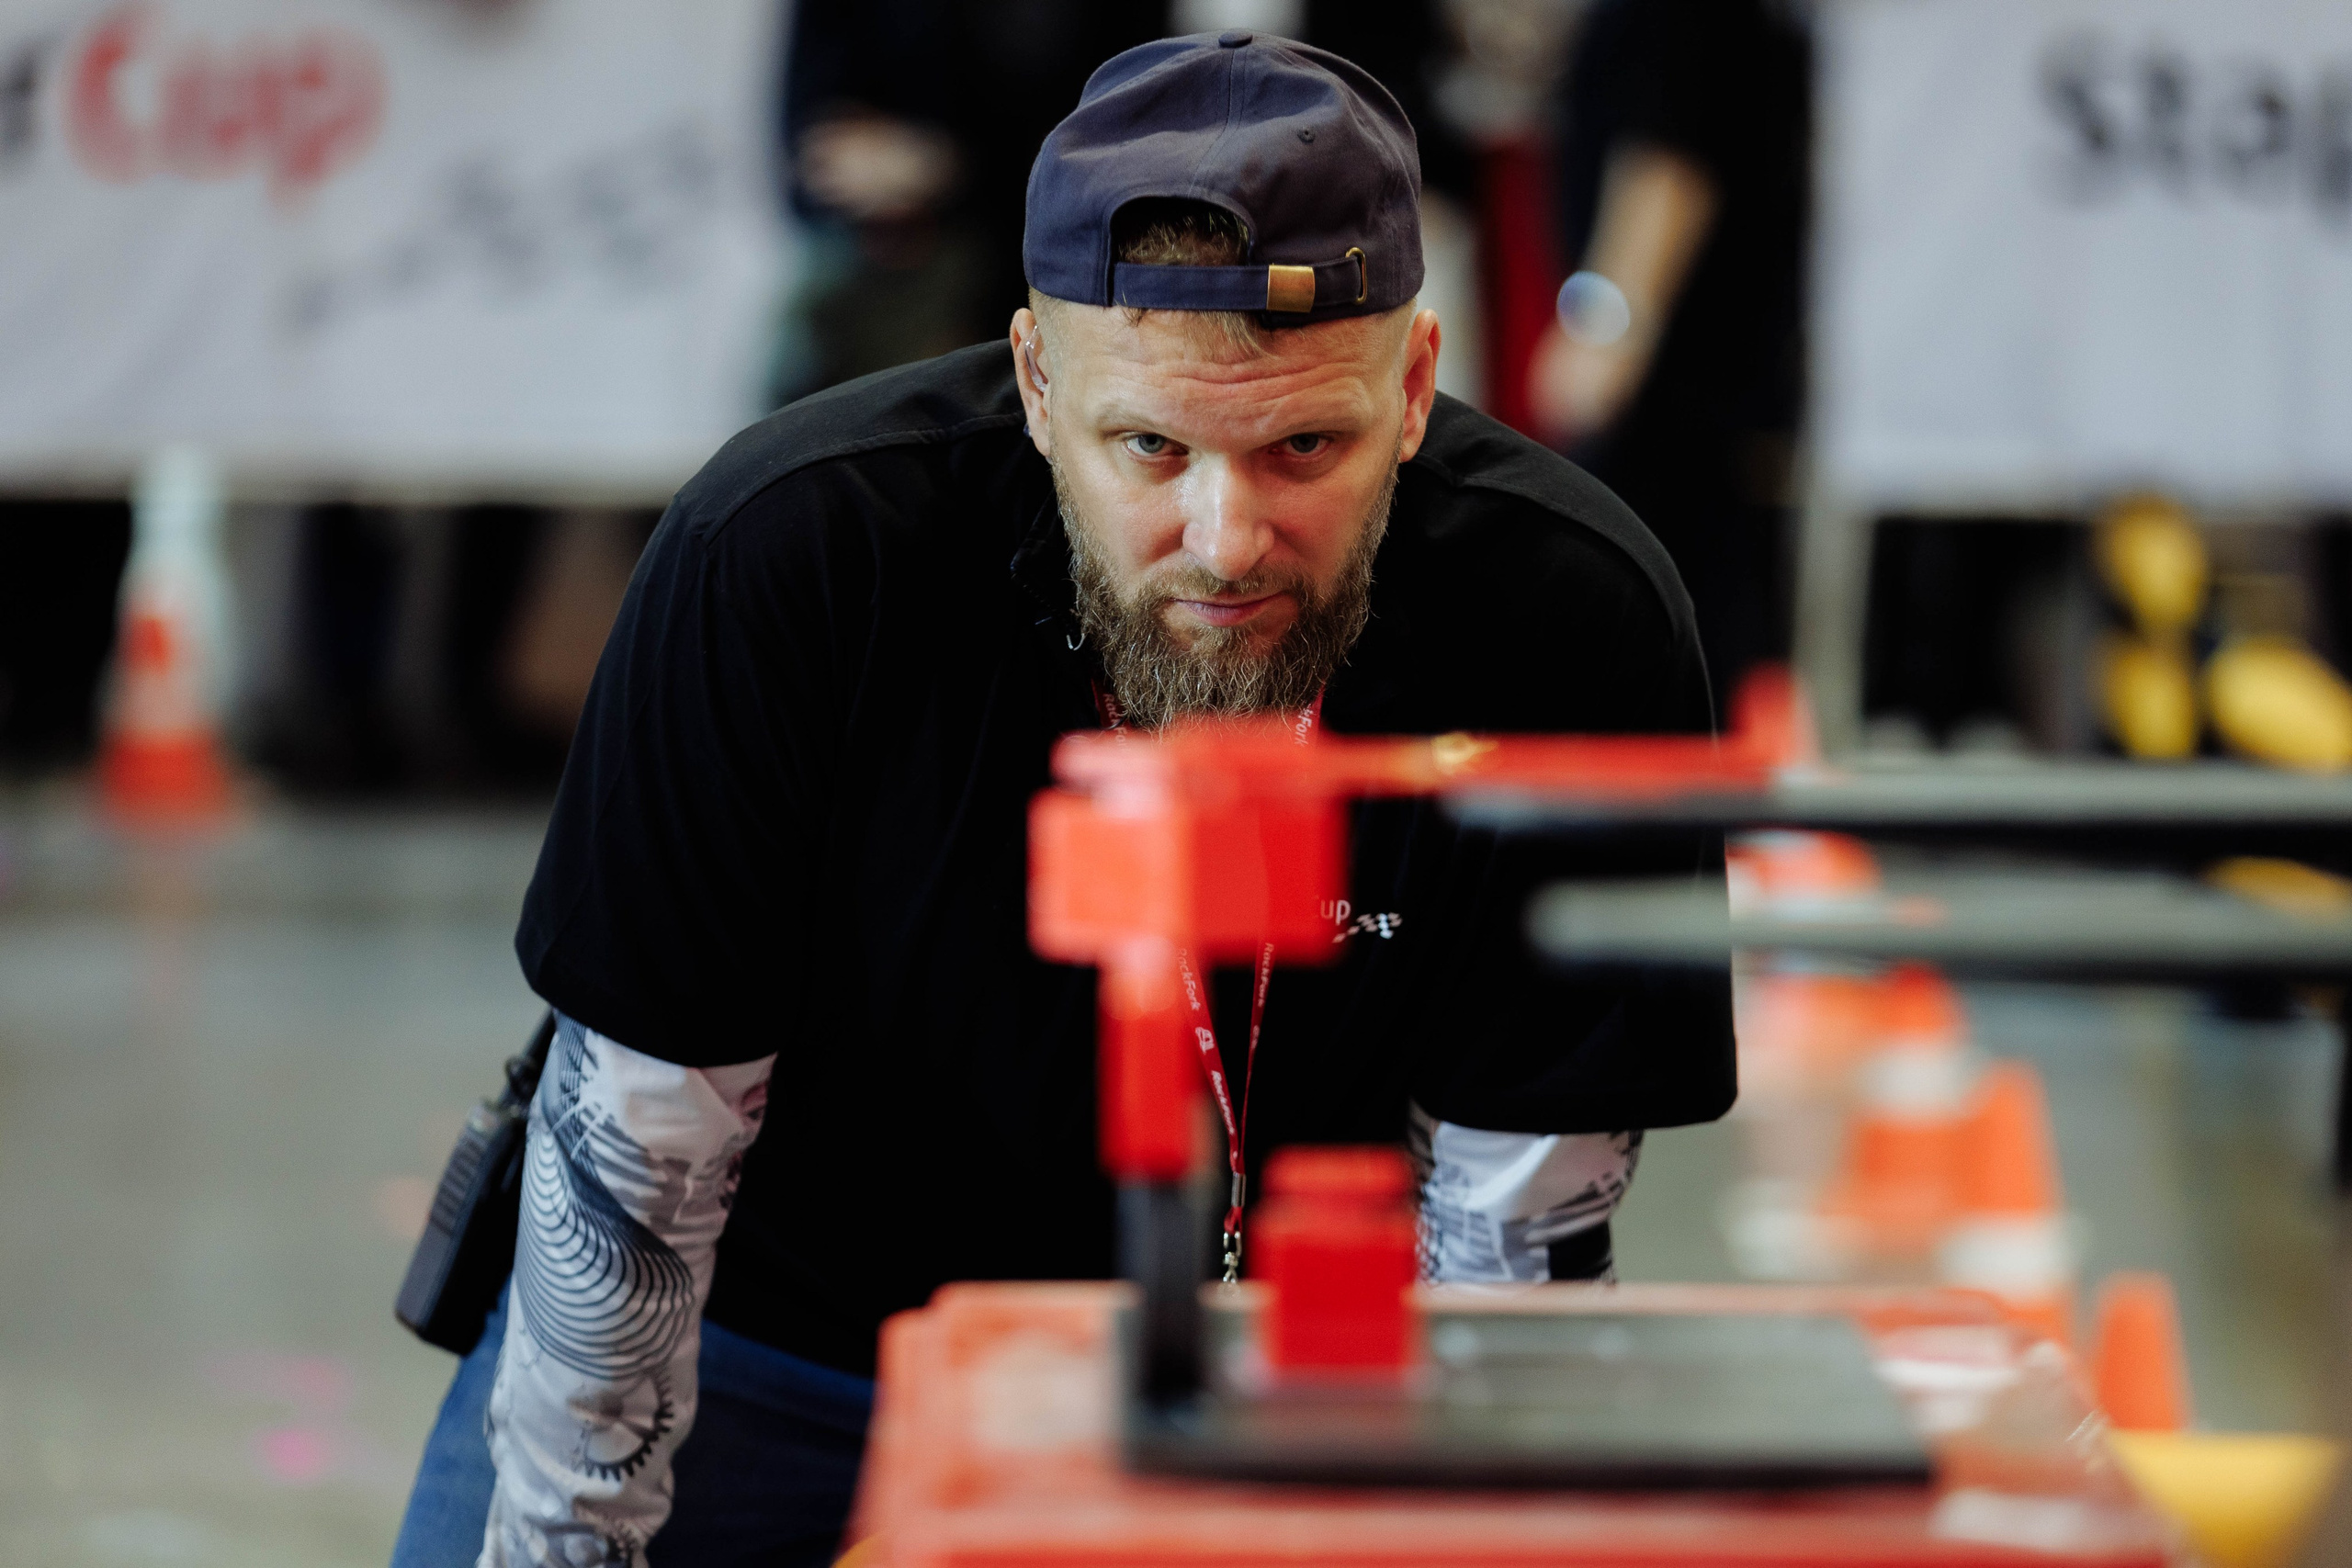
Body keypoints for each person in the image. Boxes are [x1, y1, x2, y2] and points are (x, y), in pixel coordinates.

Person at [391, 31, 1732, 1568]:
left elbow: (1513, 1252)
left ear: (1417, 384)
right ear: (1038, 381)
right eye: (1148, 446)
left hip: (1292, 1381)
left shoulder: (1570, 616)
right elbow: (641, 1146)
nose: (1226, 540)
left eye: (1307, 444)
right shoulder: (790, 563)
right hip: (763, 1355)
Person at [1528, 0, 1810, 698]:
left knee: (1669, 659)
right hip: (1707, 400)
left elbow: (1668, 163)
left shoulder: (1668, 17)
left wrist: (1601, 331)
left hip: (1678, 407)